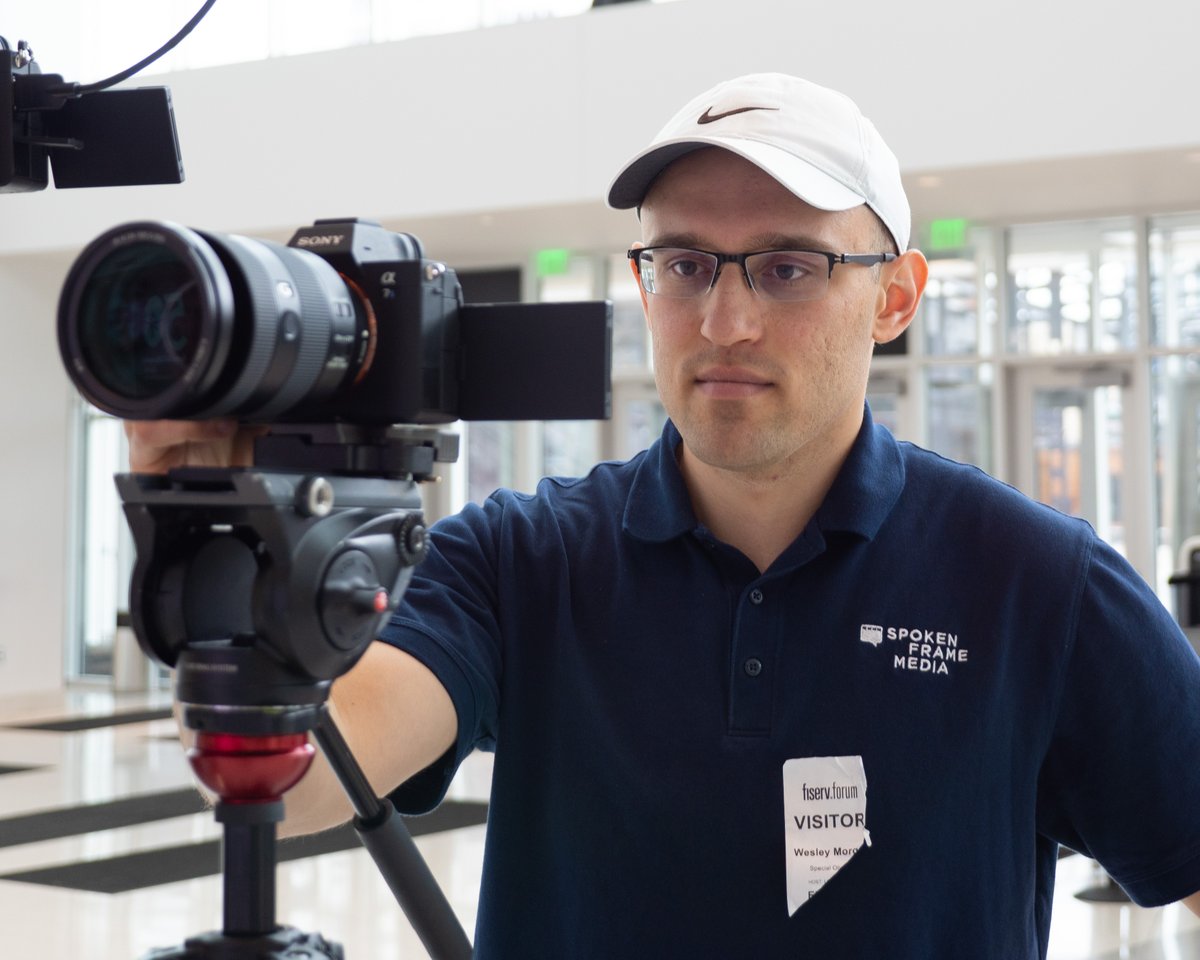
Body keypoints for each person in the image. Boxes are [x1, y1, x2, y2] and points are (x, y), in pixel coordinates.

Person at [129, 74, 1200, 957]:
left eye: (790, 267)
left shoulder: (1034, 579)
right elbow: (310, 778)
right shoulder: (521, 560)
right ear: (644, 286)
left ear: (896, 297)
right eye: (684, 264)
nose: (724, 321)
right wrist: (220, 534)